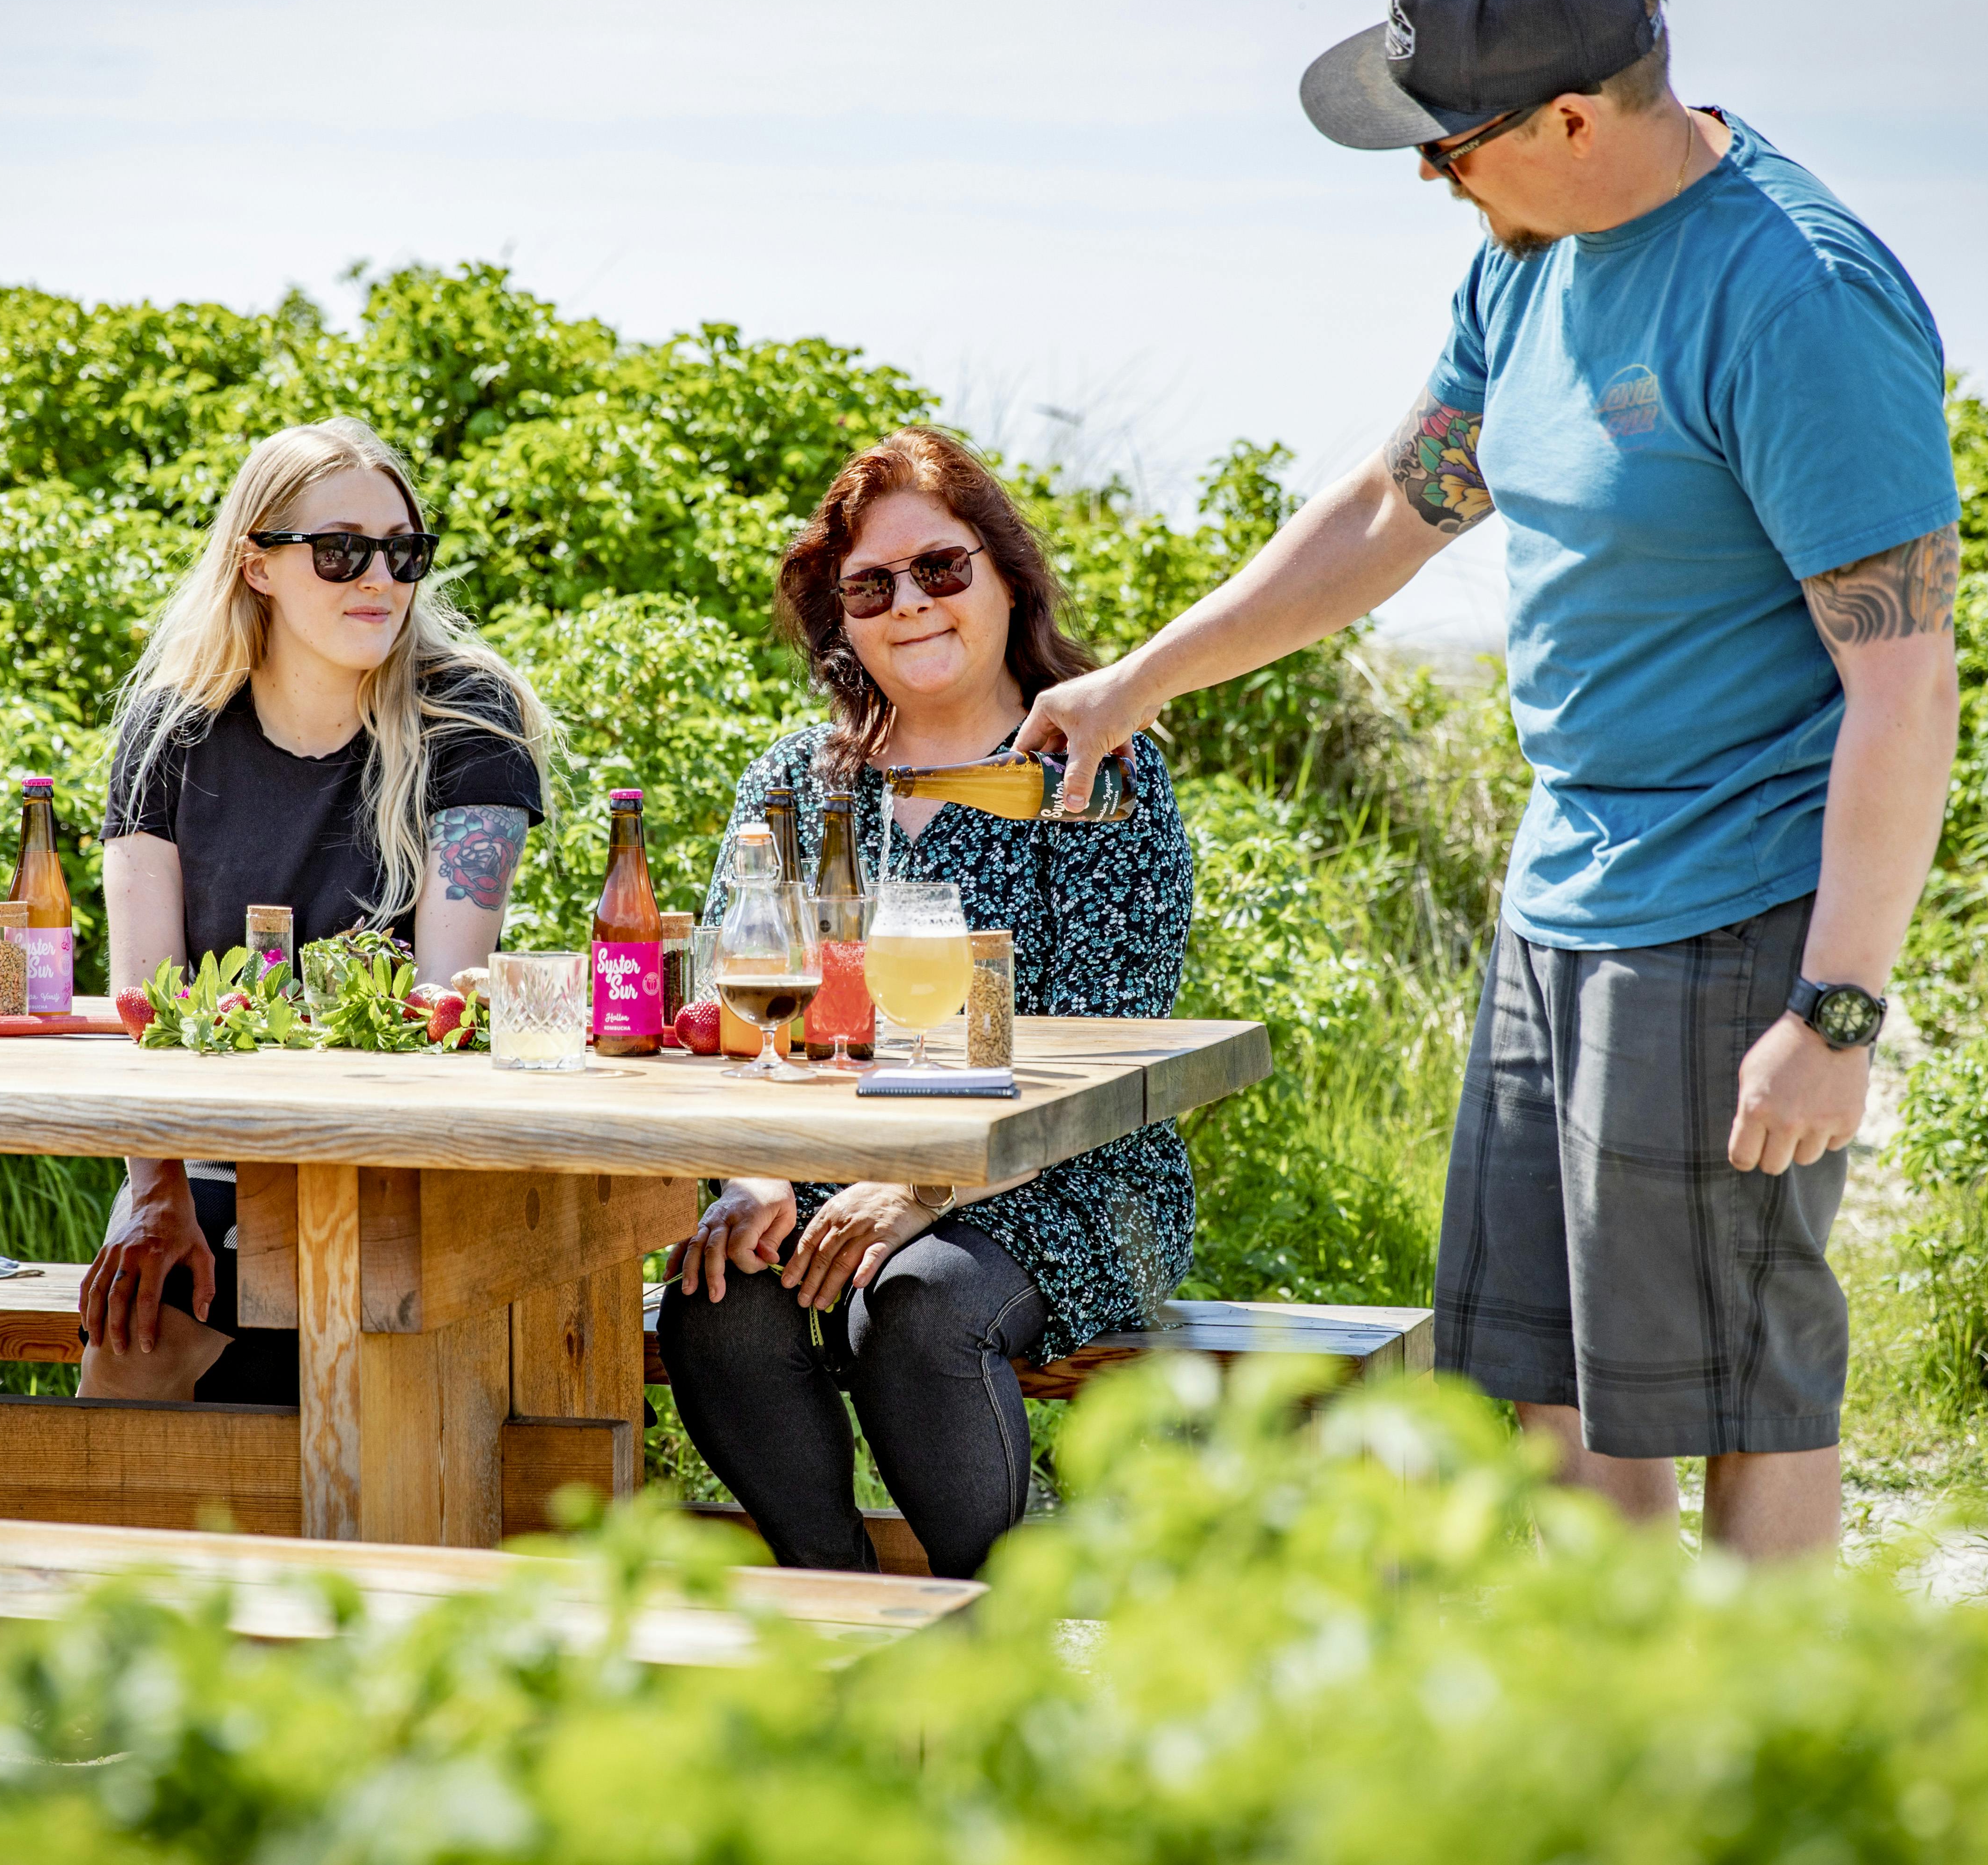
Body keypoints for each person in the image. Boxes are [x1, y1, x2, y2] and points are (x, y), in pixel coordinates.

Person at [1019, 0, 1962, 1563]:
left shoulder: (1789, 298)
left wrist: (1834, 1006)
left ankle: (1785, 1790)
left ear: (1574, 118)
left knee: (1734, 1398)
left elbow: (1900, 680)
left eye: (1443, 148)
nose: (1433, 182)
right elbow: (1396, 506)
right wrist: (1141, 677)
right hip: (1561, 898)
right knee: (1548, 1396)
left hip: (1732, 906)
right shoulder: (1525, 259)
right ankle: (1606, 1762)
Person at [659, 426, 1199, 1579]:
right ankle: (846, 1617)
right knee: (715, 1294)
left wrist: (924, 1185)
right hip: (822, 1158)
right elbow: (736, 1008)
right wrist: (751, 1176)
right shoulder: (798, 780)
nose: (911, 603)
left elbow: (1108, 1039)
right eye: (872, 584)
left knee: (915, 1306)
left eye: (942, 568)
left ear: (1008, 576)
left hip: (1062, 1169)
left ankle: (1002, 1638)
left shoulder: (1095, 766)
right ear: (840, 617)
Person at [80, 415, 550, 1404]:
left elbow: (443, 1007)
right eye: (339, 553)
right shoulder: (169, 730)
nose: (378, 578)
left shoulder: (468, 720)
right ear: (257, 565)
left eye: (402, 551)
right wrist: (153, 1192)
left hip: (403, 1159)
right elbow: (142, 1003)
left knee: (349, 1361)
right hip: (213, 1154)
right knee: (131, 1342)